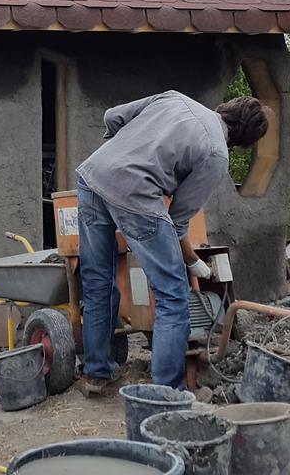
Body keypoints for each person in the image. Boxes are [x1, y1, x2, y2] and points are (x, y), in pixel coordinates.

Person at [75, 90, 270, 393]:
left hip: (93, 177)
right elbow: (177, 221)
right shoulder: (216, 154)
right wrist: (193, 262)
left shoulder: (175, 98)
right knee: (173, 295)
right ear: (245, 141)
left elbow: (112, 116)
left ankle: (97, 374)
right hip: (136, 195)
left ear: (227, 109)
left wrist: (121, 155)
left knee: (98, 281)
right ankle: (167, 392)